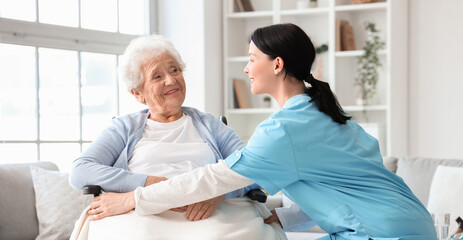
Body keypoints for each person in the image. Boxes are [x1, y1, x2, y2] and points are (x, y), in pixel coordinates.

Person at [86, 24, 437, 239]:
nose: (246, 68)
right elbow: (339, 194)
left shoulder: (284, 130)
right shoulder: (329, 115)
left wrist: (133, 198)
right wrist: (278, 215)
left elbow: (213, 178)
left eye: (252, 58)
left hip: (383, 234)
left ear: (277, 64)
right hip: (410, 224)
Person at [68, 34, 286, 240]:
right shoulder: (124, 127)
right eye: (157, 76)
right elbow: (80, 170)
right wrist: (150, 184)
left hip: (207, 213)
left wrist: (218, 192)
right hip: (144, 214)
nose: (171, 80)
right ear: (137, 93)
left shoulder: (210, 124)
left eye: (174, 70)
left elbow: (254, 169)